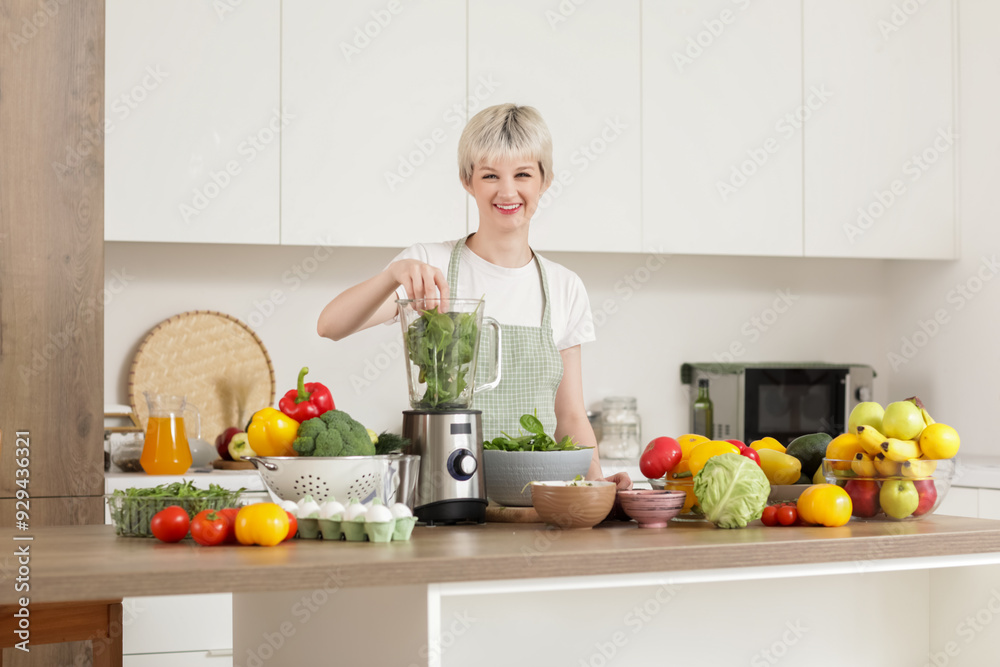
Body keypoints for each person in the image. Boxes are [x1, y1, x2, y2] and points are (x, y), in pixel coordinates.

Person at [317, 103, 631, 489]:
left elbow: (569, 416)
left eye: (523, 174)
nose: (507, 191)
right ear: (468, 181)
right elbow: (330, 326)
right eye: (490, 175)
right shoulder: (428, 264)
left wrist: (597, 484)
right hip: (446, 491)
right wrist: (392, 275)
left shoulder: (564, 286)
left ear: (544, 180)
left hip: (537, 500)